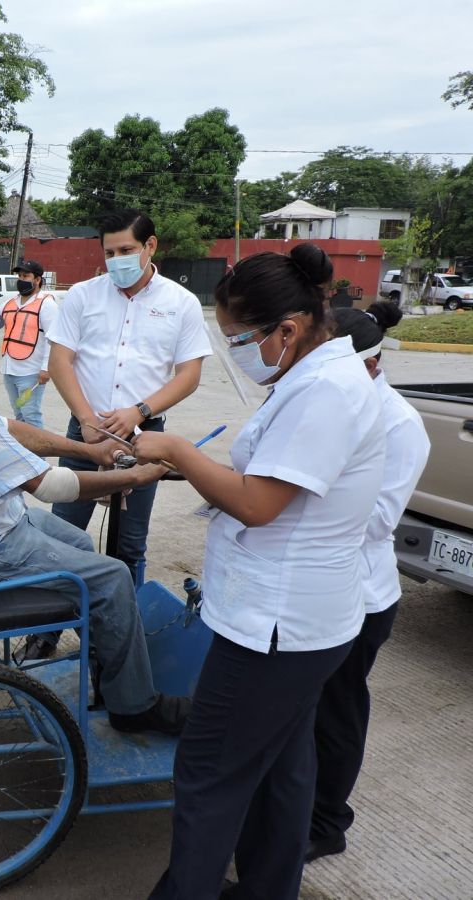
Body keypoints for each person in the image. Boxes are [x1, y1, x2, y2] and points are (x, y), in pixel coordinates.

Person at [134, 245, 387, 900]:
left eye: (238, 339)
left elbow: (258, 503)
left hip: (276, 628)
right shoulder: (309, 378)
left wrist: (180, 451)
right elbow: (263, 479)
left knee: (209, 772)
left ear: (288, 329)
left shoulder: (326, 391)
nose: (235, 353)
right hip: (298, 622)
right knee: (281, 767)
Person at [0, 298, 190, 735]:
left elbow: (9, 429)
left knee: (82, 543)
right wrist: (138, 477)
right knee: (113, 578)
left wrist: (90, 451)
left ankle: (106, 666)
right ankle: (134, 705)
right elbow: (49, 487)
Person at [308, 301, 430, 863]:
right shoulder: (332, 404)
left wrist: (295, 501)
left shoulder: (401, 424)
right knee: (306, 709)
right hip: (316, 584)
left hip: (361, 594)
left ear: (372, 365)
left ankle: (327, 823)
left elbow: (379, 521)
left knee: (337, 709)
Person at [46, 210, 211, 582]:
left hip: (145, 436)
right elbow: (60, 361)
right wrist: (86, 420)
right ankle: (49, 634)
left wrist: (139, 412)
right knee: (64, 536)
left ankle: (122, 634)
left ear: (150, 246)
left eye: (126, 249)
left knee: (130, 543)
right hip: (85, 432)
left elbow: (189, 375)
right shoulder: (83, 296)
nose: (117, 260)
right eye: (109, 253)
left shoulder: (180, 302)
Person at [0, 259, 60, 429]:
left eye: (26, 275)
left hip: (30, 372)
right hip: (9, 370)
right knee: (19, 414)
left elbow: (52, 339)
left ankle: (39, 456)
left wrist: (46, 368)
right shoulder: (11, 302)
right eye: (19, 275)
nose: (21, 279)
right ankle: (25, 452)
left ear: (37, 279)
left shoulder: (46, 304)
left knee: (30, 415)